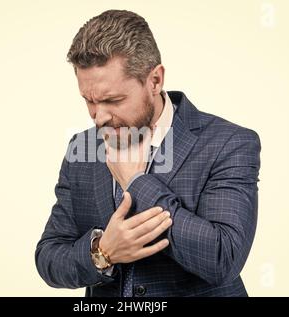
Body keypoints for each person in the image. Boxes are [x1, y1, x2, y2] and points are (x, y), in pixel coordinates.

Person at [35, 9, 261, 297]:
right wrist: (102, 252)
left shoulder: (228, 143)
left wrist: (137, 183)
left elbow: (222, 257)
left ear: (154, 81)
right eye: (88, 100)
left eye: (112, 100)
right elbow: (49, 256)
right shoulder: (83, 148)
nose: (98, 116)